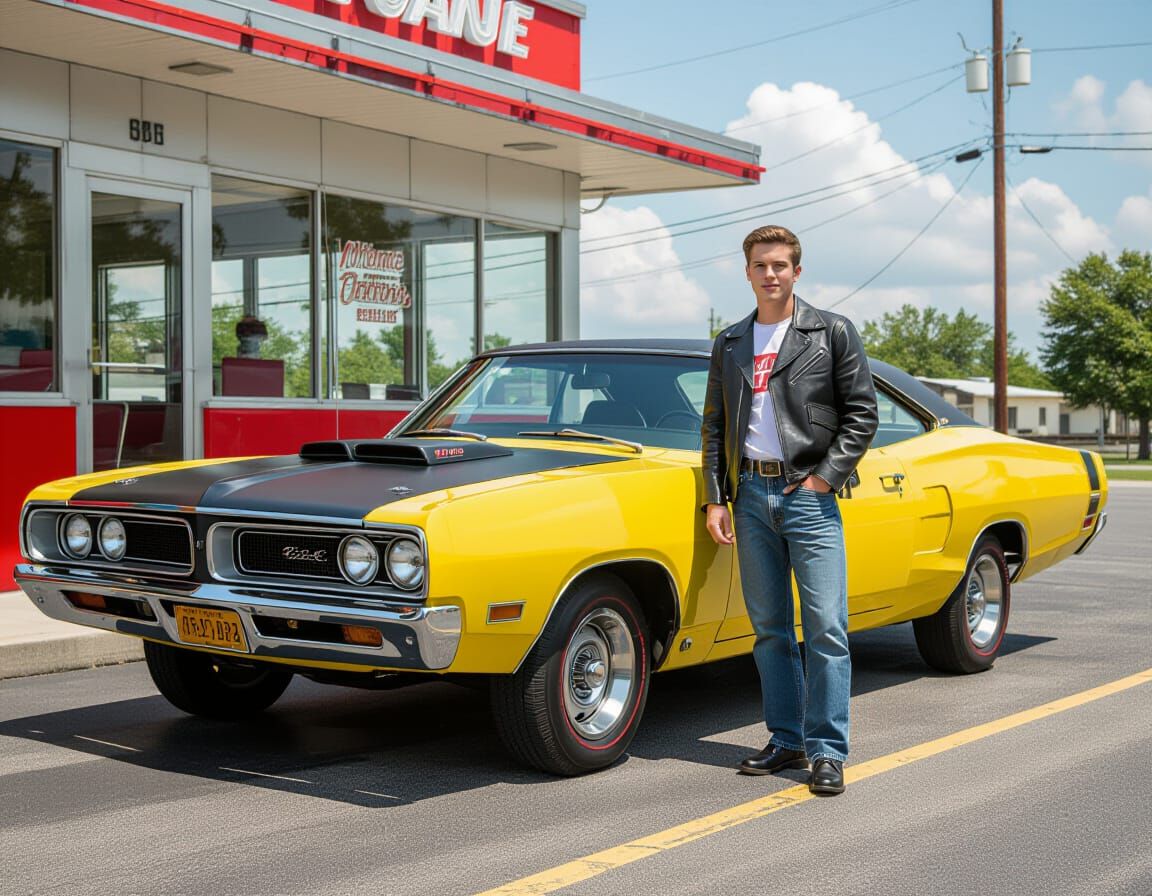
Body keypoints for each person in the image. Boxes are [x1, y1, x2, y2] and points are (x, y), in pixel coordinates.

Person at [701, 225, 877, 796]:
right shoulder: (729, 342)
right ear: (747, 272)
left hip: (809, 496)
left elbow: (862, 414)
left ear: (797, 271)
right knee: (770, 629)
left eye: (780, 265)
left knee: (826, 627)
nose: (770, 274)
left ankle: (827, 750)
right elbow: (714, 427)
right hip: (749, 497)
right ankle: (786, 738)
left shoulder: (831, 332)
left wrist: (826, 479)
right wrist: (716, 497)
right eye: (760, 265)